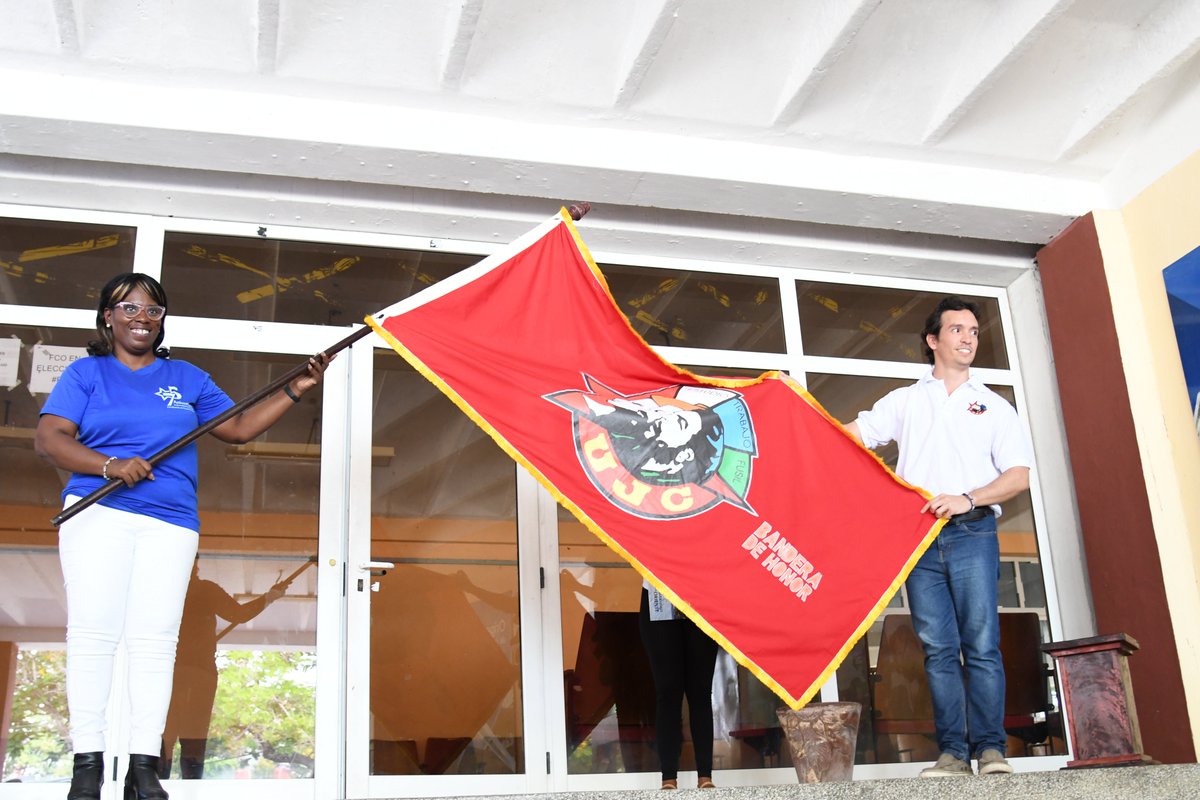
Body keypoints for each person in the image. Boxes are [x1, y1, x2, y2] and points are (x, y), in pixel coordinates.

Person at [34, 273, 331, 800]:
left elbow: (236, 429)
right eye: (128, 307)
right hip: (97, 511)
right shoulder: (85, 374)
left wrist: (296, 387)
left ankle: (144, 767)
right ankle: (87, 766)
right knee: (94, 635)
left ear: (162, 319)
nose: (141, 316)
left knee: (155, 641)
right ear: (108, 316)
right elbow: (51, 439)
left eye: (152, 308)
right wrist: (110, 465)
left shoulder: (187, 377)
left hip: (171, 522)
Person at [843, 296, 1032, 778]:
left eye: (973, 330)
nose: (969, 337)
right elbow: (852, 436)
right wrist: (790, 425)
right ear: (933, 341)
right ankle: (952, 753)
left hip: (973, 532)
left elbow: (1017, 476)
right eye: (958, 330)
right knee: (939, 648)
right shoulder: (906, 400)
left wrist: (968, 498)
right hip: (919, 538)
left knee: (982, 643)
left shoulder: (993, 405)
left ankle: (990, 750)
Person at [638, 583, 718, 790]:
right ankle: (668, 779)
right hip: (658, 594)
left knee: (700, 692)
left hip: (701, 591)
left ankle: (705, 777)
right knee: (668, 692)